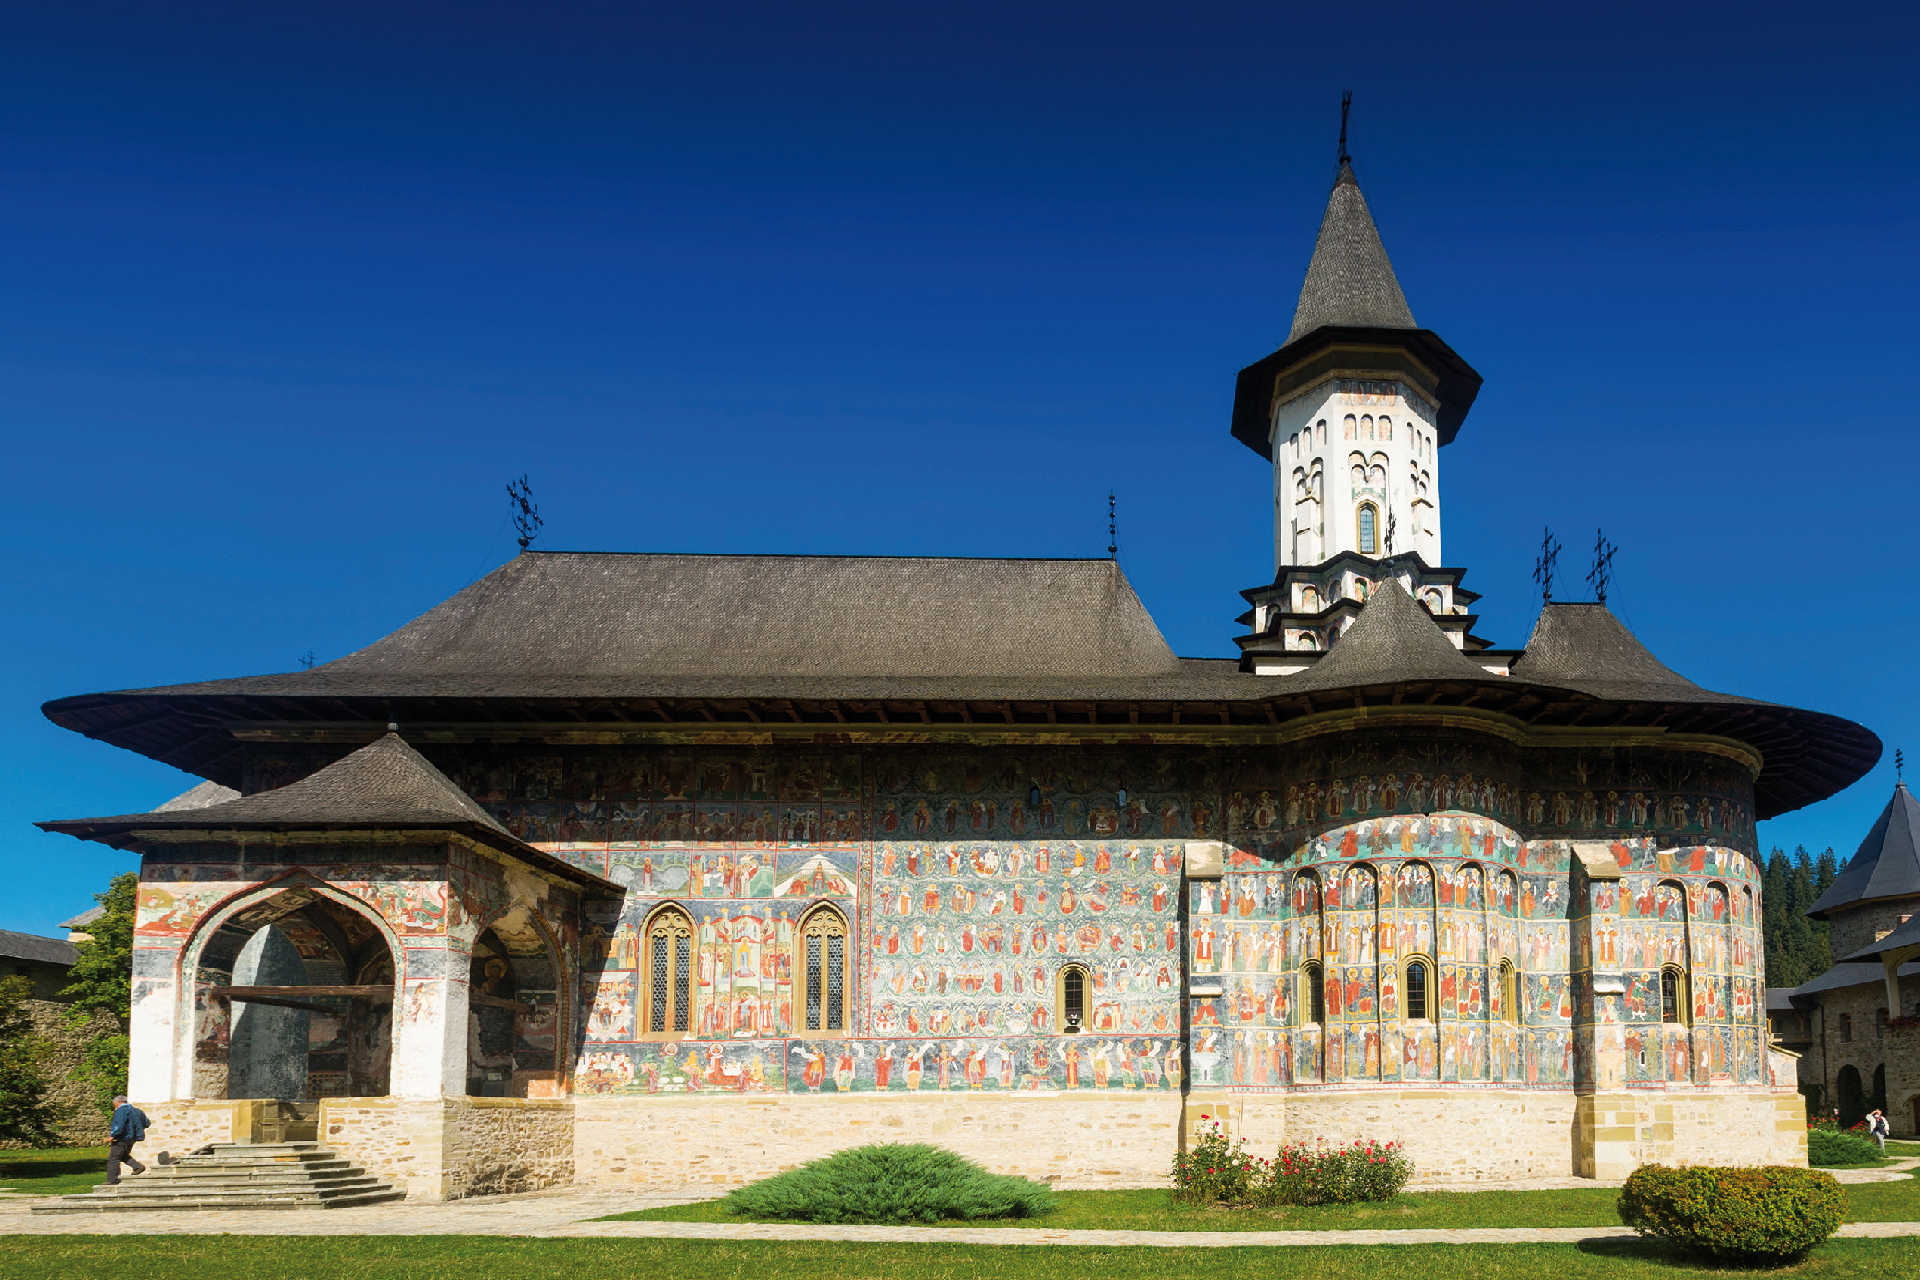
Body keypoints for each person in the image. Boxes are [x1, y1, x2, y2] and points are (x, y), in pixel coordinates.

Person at [106, 1095, 150, 1185]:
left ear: (117, 1102)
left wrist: (113, 1135)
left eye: (114, 1104)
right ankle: (137, 1166)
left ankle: (113, 1180)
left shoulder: (121, 1111)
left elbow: (119, 1125)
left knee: (113, 1159)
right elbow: (147, 1123)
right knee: (122, 1155)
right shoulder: (137, 1111)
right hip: (132, 1138)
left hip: (121, 1138)